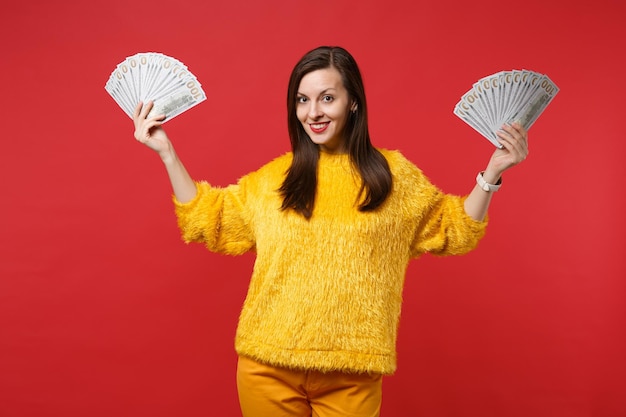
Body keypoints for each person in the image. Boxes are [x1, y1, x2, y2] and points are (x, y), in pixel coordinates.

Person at [132, 46, 528, 417]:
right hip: (266, 367)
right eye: (302, 100)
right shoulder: (276, 178)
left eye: (326, 97)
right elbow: (209, 219)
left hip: (352, 372)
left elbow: (453, 229)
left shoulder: (394, 177)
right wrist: (167, 152)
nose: (313, 112)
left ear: (352, 101)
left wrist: (492, 173)